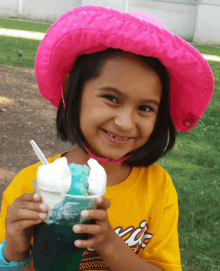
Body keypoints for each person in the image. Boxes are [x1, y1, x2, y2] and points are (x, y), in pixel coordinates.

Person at [0, 5, 214, 271]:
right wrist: (15, 249)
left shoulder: (157, 189)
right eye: (111, 98)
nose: (125, 123)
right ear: (72, 90)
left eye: (145, 108)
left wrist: (110, 244)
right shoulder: (27, 189)